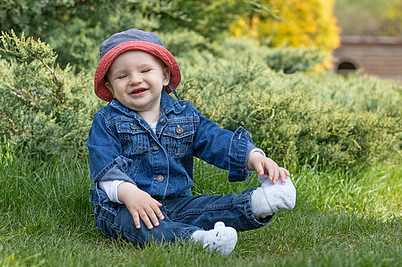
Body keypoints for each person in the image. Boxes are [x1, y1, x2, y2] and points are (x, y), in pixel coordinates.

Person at [87, 29, 296, 256]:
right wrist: (128, 193)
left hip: (178, 203)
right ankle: (197, 240)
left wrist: (253, 156)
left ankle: (261, 201)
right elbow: (105, 168)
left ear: (165, 76)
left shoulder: (184, 115)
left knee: (207, 208)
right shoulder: (107, 121)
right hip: (124, 207)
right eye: (122, 76)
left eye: (145, 70)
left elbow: (215, 139)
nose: (135, 79)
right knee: (135, 224)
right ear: (109, 87)